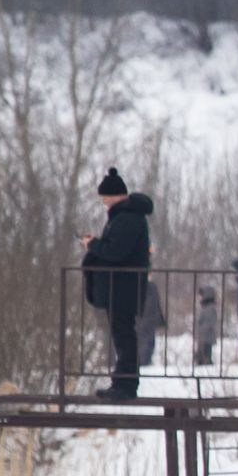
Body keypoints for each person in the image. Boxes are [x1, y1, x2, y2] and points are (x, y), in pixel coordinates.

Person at [79, 166, 152, 398]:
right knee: (122, 335)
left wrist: (93, 245)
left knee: (124, 335)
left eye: (105, 199)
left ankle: (126, 384)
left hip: (123, 287)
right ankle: (121, 382)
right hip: (120, 287)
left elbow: (115, 251)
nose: (104, 203)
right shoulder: (125, 217)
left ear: (114, 196)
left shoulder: (127, 218)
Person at [135, 267, 167, 370]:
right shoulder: (142, 286)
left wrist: (159, 319)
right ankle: (143, 361)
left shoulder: (151, 286)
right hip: (143, 320)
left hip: (149, 320)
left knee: (149, 342)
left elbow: (156, 304)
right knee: (144, 342)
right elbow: (150, 304)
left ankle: (145, 361)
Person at [192, 284, 220, 367]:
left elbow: (210, 322)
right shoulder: (205, 307)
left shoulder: (210, 308)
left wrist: (201, 330)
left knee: (205, 357)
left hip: (207, 337)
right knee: (200, 357)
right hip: (203, 337)